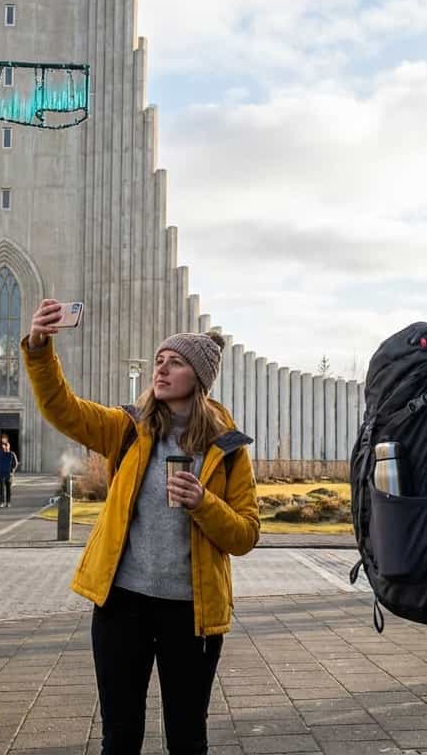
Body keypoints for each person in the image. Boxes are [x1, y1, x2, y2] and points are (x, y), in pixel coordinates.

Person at [23, 298, 259, 755]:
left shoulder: (226, 447)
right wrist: (38, 347)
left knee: (188, 737)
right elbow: (61, 408)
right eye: (159, 360)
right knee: (120, 735)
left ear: (200, 380)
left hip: (192, 614)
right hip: (121, 607)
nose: (162, 369)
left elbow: (246, 534)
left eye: (176, 363)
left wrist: (203, 502)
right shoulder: (127, 429)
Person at [0, 437, 18, 507]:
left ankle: (8, 502)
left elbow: (15, 464)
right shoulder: (0, 454)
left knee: (8, 489)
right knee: (1, 489)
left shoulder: (12, 454)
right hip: (1, 473)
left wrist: (12, 471)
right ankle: (1, 502)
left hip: (9, 474)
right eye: (4, 446)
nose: (5, 447)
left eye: (7, 446)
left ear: (9, 447)